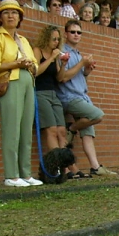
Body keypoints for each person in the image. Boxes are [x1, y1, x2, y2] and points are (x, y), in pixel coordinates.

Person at [0, 0, 43, 187]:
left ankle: (25, 173)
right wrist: (17, 64)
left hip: (28, 82)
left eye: (15, 13)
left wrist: (31, 66)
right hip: (10, 82)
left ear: (20, 18)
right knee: (11, 129)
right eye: (6, 12)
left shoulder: (24, 40)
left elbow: (35, 63)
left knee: (26, 128)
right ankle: (11, 174)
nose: (11, 15)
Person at [57, 20, 117, 177]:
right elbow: (63, 78)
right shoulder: (62, 52)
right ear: (65, 34)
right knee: (97, 115)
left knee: (88, 131)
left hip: (82, 95)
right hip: (69, 96)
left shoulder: (78, 54)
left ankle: (95, 167)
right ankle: (71, 129)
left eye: (79, 32)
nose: (76, 35)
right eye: (73, 32)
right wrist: (83, 62)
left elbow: (79, 77)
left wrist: (87, 70)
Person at [33, 25, 87, 179]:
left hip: (53, 93)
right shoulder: (38, 51)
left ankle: (72, 167)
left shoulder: (56, 55)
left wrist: (62, 64)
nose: (56, 42)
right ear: (46, 39)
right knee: (51, 130)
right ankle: (61, 167)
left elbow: (59, 78)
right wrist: (51, 57)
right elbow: (36, 72)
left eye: (58, 39)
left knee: (62, 131)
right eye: (53, 39)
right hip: (40, 93)